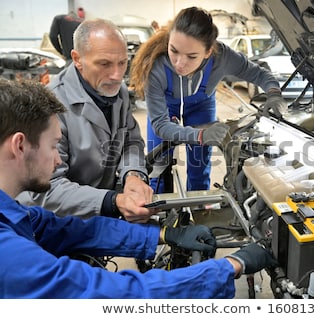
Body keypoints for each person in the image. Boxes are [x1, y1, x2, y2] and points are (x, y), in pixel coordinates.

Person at [0, 78, 277, 298]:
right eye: (52, 146)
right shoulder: (9, 255)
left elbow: (75, 230)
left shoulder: (13, 213)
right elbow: (118, 295)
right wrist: (230, 266)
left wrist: (165, 234)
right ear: (20, 145)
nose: (59, 158)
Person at [130, 6, 286, 193]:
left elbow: (260, 74)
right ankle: (158, 209)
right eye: (174, 51)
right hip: (166, 108)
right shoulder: (156, 67)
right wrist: (200, 135)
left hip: (201, 107)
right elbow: (161, 126)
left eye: (191, 56)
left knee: (199, 166)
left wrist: (274, 93)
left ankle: (199, 207)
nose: (180, 63)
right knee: (158, 164)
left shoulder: (224, 57)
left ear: (208, 51)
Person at [17, 19, 154, 223]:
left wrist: (133, 174)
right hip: (56, 220)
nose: (117, 75)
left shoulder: (119, 92)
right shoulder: (48, 106)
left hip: (103, 202)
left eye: (123, 63)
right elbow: (46, 188)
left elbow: (131, 141)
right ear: (77, 59)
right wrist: (112, 201)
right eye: (104, 64)